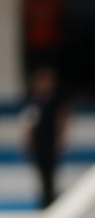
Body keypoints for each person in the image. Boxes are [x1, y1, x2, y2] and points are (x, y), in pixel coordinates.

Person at [20, 66, 67, 208]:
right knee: (41, 172)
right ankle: (45, 200)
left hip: (51, 139)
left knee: (50, 171)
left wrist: (61, 138)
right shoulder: (33, 101)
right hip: (39, 141)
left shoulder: (55, 99)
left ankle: (51, 198)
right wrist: (27, 139)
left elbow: (62, 118)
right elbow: (28, 122)